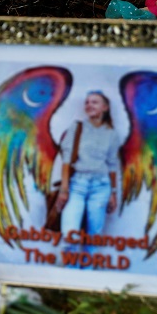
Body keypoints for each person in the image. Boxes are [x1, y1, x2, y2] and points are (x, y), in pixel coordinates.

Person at [54, 90, 122, 257]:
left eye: (95, 102)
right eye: (87, 102)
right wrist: (64, 189)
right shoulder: (77, 128)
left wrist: (113, 193)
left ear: (105, 107)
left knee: (94, 237)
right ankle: (71, 277)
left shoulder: (111, 134)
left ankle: (87, 273)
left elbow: (112, 165)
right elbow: (67, 160)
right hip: (77, 184)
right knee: (70, 234)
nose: (89, 105)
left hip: (101, 187)